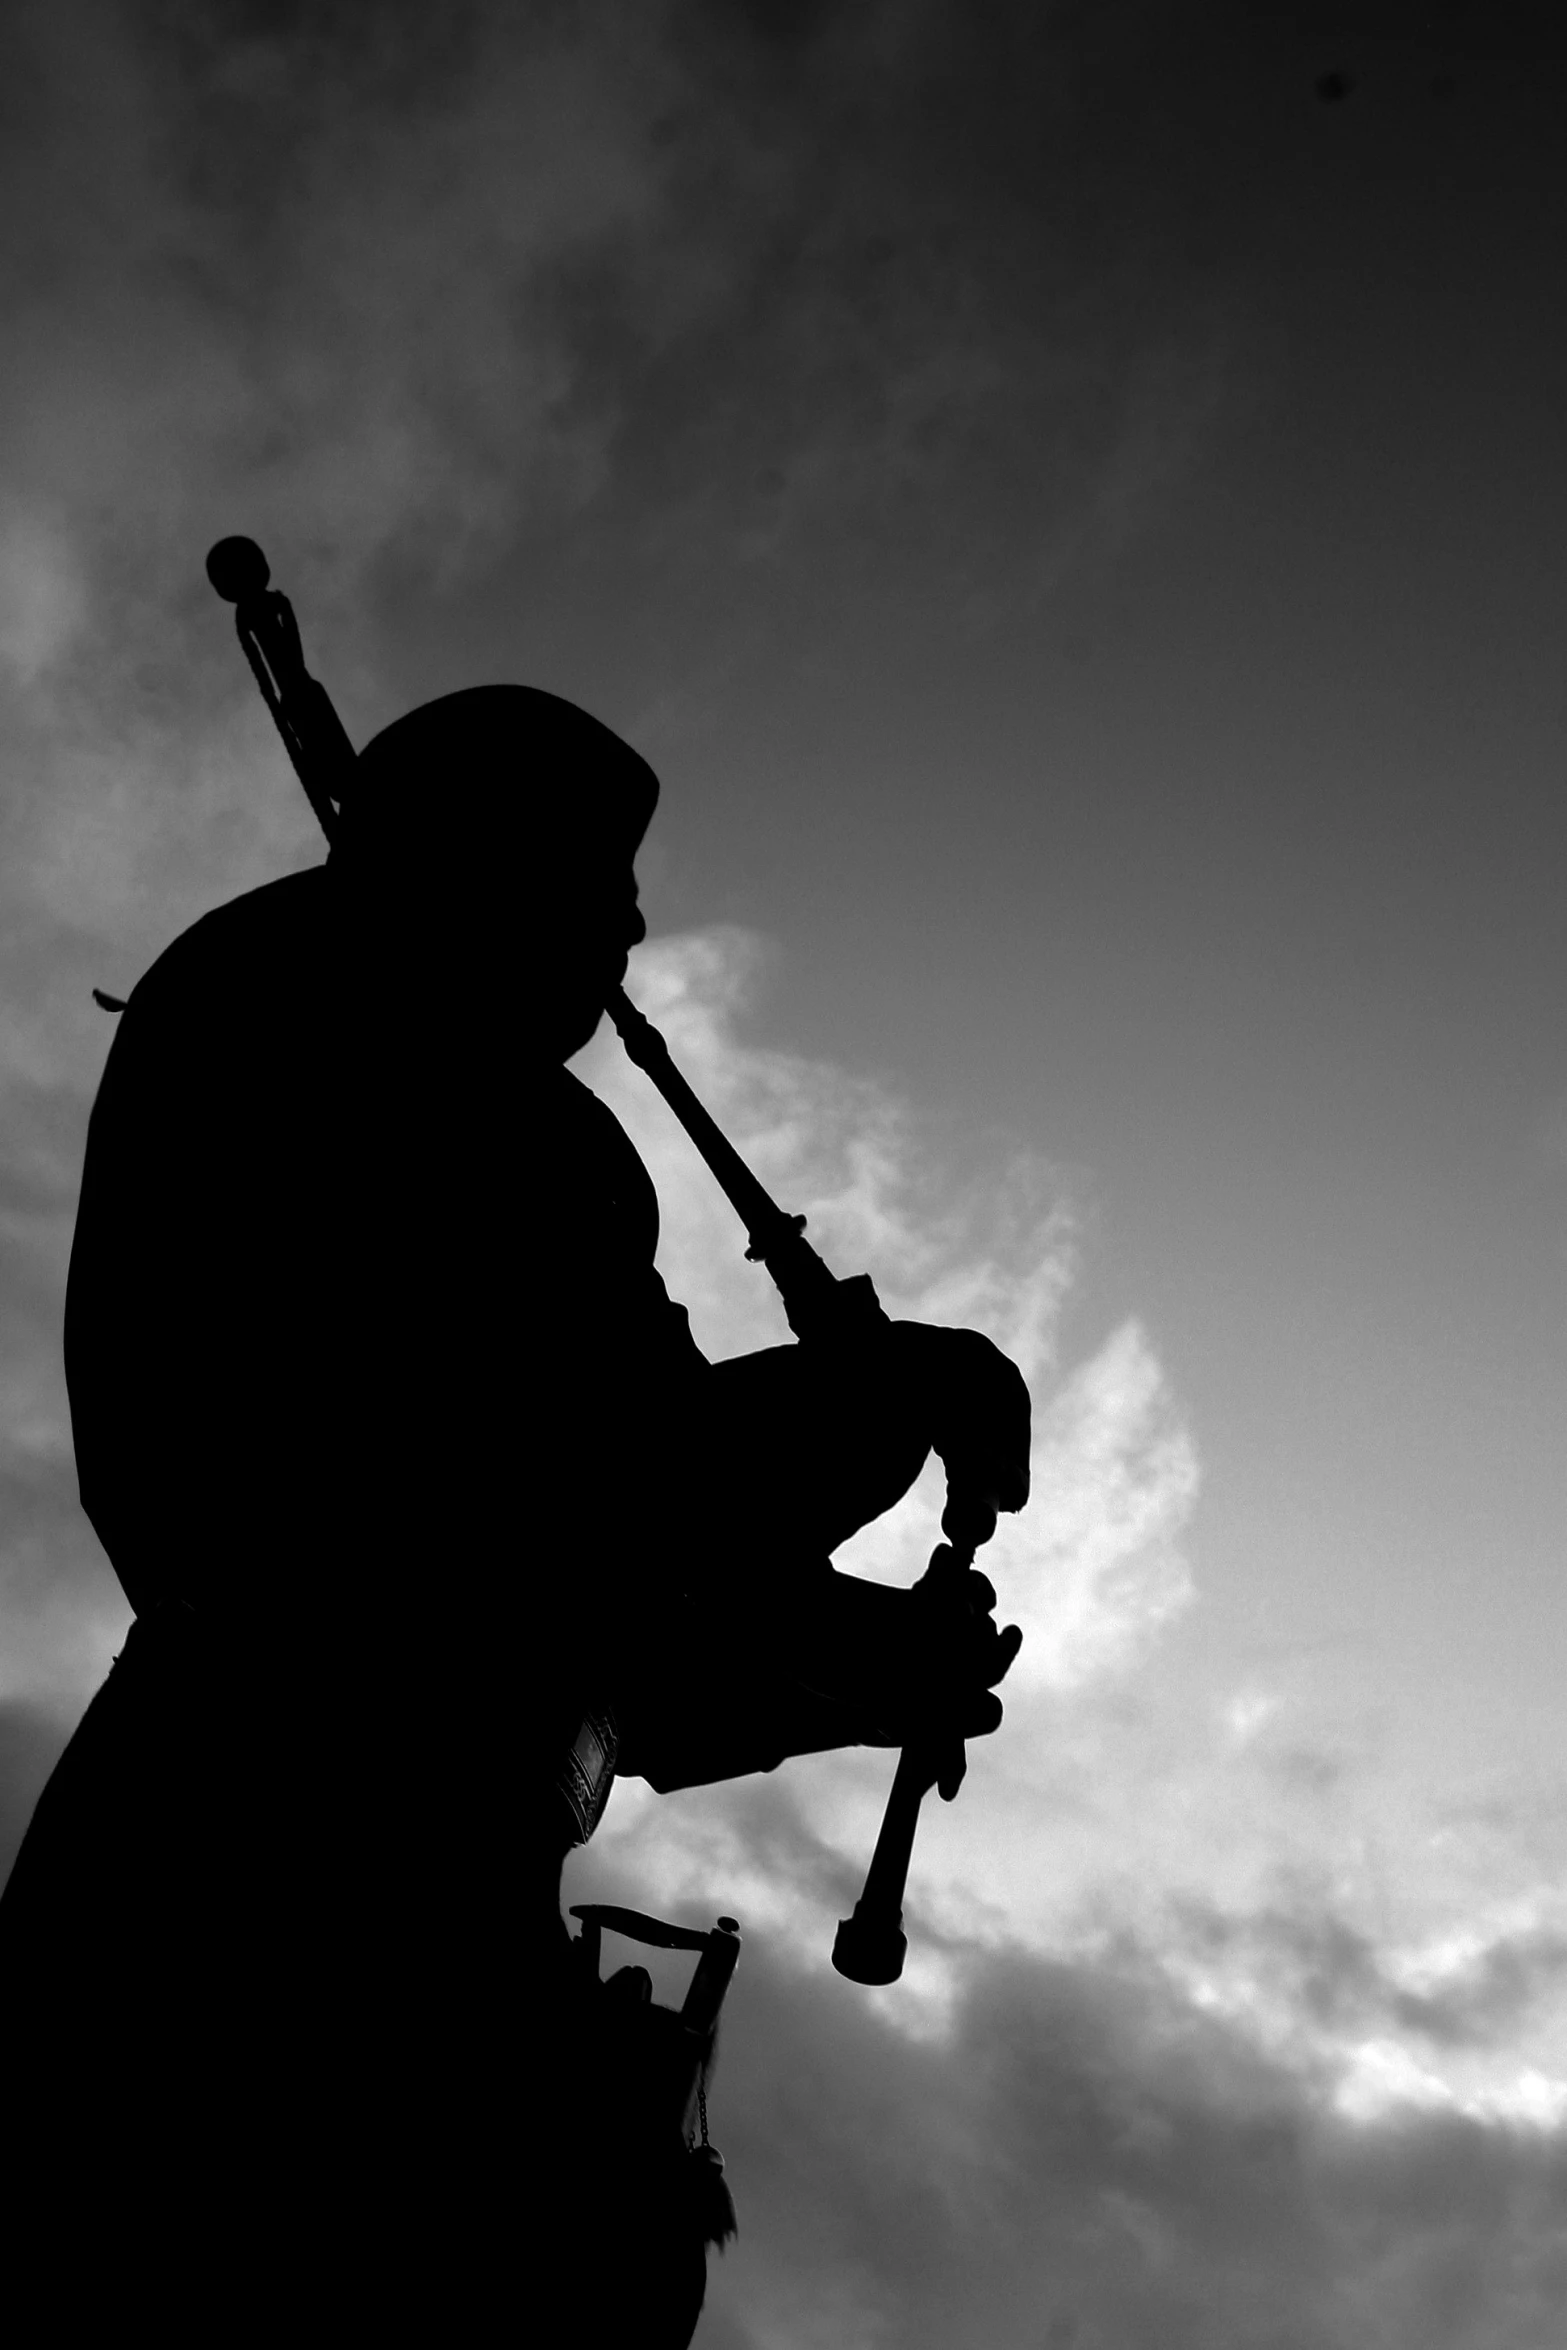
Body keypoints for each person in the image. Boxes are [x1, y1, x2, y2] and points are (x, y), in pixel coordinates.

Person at [1, 684, 1028, 2343]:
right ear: (478, 862)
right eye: (595, 893)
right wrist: (893, 1393)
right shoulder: (338, 1035)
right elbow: (600, 1479)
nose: (625, 938)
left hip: (352, 1887)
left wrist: (850, 1672)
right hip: (272, 1925)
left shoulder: (460, 1092)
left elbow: (588, 1624)